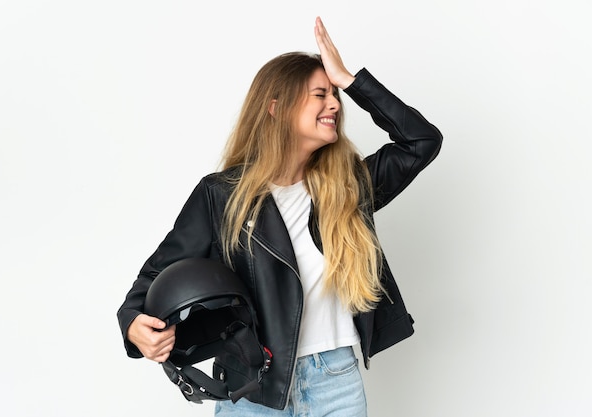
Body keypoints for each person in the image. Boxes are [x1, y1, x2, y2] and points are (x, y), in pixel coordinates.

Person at [117, 16, 442, 416]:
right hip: (254, 388)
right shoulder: (222, 195)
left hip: (336, 380)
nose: (335, 104)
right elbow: (153, 276)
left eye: (335, 94)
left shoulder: (347, 188)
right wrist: (133, 323)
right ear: (277, 108)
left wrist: (351, 79)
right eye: (320, 94)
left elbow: (422, 142)